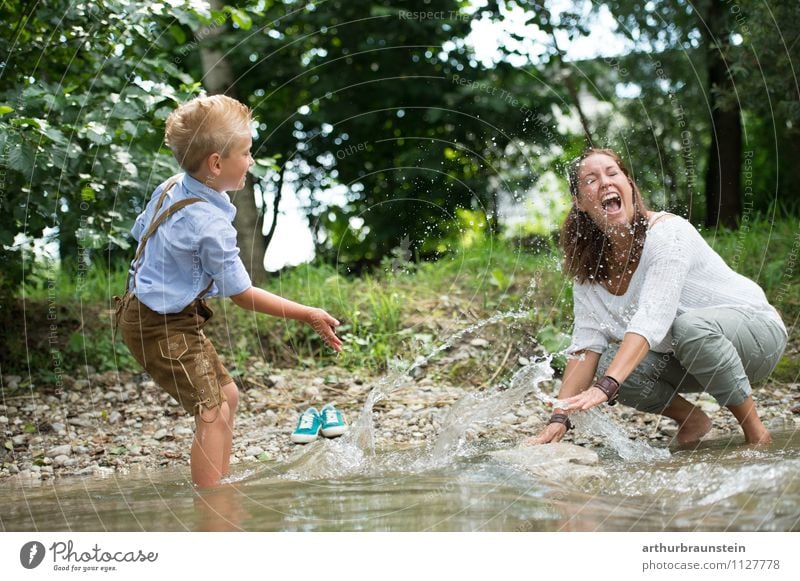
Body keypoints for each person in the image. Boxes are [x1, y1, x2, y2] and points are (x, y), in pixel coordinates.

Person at [116, 95, 343, 488]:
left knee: (227, 397)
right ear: (216, 164)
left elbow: (141, 234)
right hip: (158, 324)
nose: (251, 160)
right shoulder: (209, 224)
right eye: (246, 152)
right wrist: (307, 312)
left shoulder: (173, 187)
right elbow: (242, 293)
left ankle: (219, 482)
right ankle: (212, 504)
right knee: (211, 409)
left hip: (160, 312)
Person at [528, 148, 787, 447]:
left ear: (629, 184)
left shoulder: (667, 234)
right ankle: (691, 420)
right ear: (580, 202)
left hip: (757, 339)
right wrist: (559, 419)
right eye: (591, 179)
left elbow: (654, 315)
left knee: (688, 329)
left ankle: (756, 434)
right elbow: (585, 347)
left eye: (613, 173)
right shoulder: (589, 272)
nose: (605, 182)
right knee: (606, 363)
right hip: (691, 357)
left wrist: (607, 386)